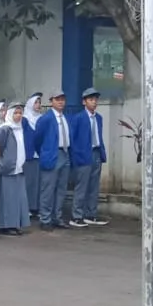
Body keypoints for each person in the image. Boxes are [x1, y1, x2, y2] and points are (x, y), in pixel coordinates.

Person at [68, 87, 109, 227]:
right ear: (84, 102)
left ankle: (91, 214)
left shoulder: (98, 118)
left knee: (94, 186)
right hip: (83, 154)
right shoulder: (78, 118)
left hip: (96, 153)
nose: (94, 102)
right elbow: (72, 139)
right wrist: (76, 156)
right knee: (82, 186)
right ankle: (77, 215)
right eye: (91, 100)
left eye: (95, 100)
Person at [33, 92, 73, 230]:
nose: (61, 102)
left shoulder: (65, 117)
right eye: (57, 99)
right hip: (52, 154)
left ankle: (57, 217)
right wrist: (45, 153)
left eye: (63, 99)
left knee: (61, 189)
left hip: (65, 153)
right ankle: (45, 219)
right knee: (48, 189)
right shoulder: (46, 119)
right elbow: (37, 139)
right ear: (51, 102)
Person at [0, 103, 30, 235]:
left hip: (19, 167)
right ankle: (6, 225)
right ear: (10, 114)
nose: (18, 116)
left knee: (18, 197)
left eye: (20, 113)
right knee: (8, 197)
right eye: (15, 113)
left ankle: (16, 223)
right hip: (8, 168)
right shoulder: (5, 129)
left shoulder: (20, 128)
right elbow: (0, 147)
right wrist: (3, 163)